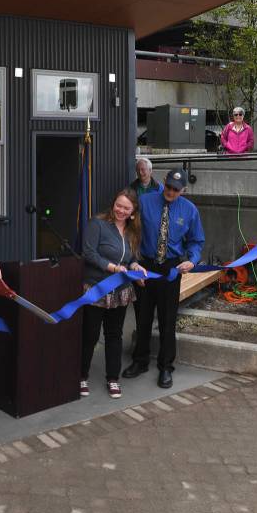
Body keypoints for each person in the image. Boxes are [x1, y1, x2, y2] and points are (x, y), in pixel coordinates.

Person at [123, 169, 204, 389]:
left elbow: (196, 241)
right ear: (164, 184)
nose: (170, 191)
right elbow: (130, 232)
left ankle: (166, 367)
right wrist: (132, 261)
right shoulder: (145, 202)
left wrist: (192, 260)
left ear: (183, 190)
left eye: (176, 189)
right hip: (146, 266)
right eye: (168, 186)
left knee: (168, 320)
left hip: (171, 269)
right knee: (142, 317)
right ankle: (140, 361)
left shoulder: (190, 210)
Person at [80, 189, 146, 400]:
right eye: (119, 205)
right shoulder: (97, 224)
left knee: (114, 335)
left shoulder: (132, 232)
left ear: (133, 211)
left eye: (126, 208)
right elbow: (88, 253)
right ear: (113, 204)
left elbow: (132, 258)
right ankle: (81, 376)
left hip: (120, 291)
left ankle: (113, 378)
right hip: (97, 288)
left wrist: (136, 266)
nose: (121, 210)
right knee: (90, 335)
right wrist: (112, 268)